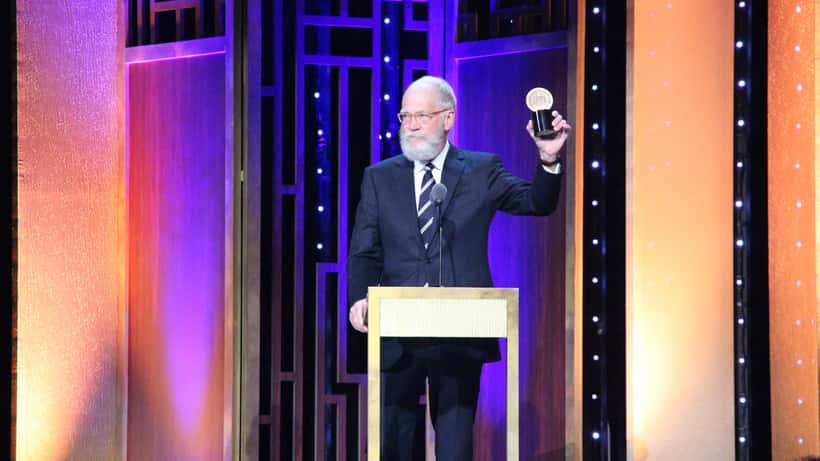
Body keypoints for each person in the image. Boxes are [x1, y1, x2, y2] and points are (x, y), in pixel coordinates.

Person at [347, 76, 571, 460]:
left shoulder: (481, 170)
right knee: (395, 440)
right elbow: (365, 251)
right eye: (405, 116)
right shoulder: (380, 177)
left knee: (454, 444)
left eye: (422, 115)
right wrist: (359, 299)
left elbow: (536, 202)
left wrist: (548, 160)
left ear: (448, 118)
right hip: (399, 328)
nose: (411, 125)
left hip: (460, 330)